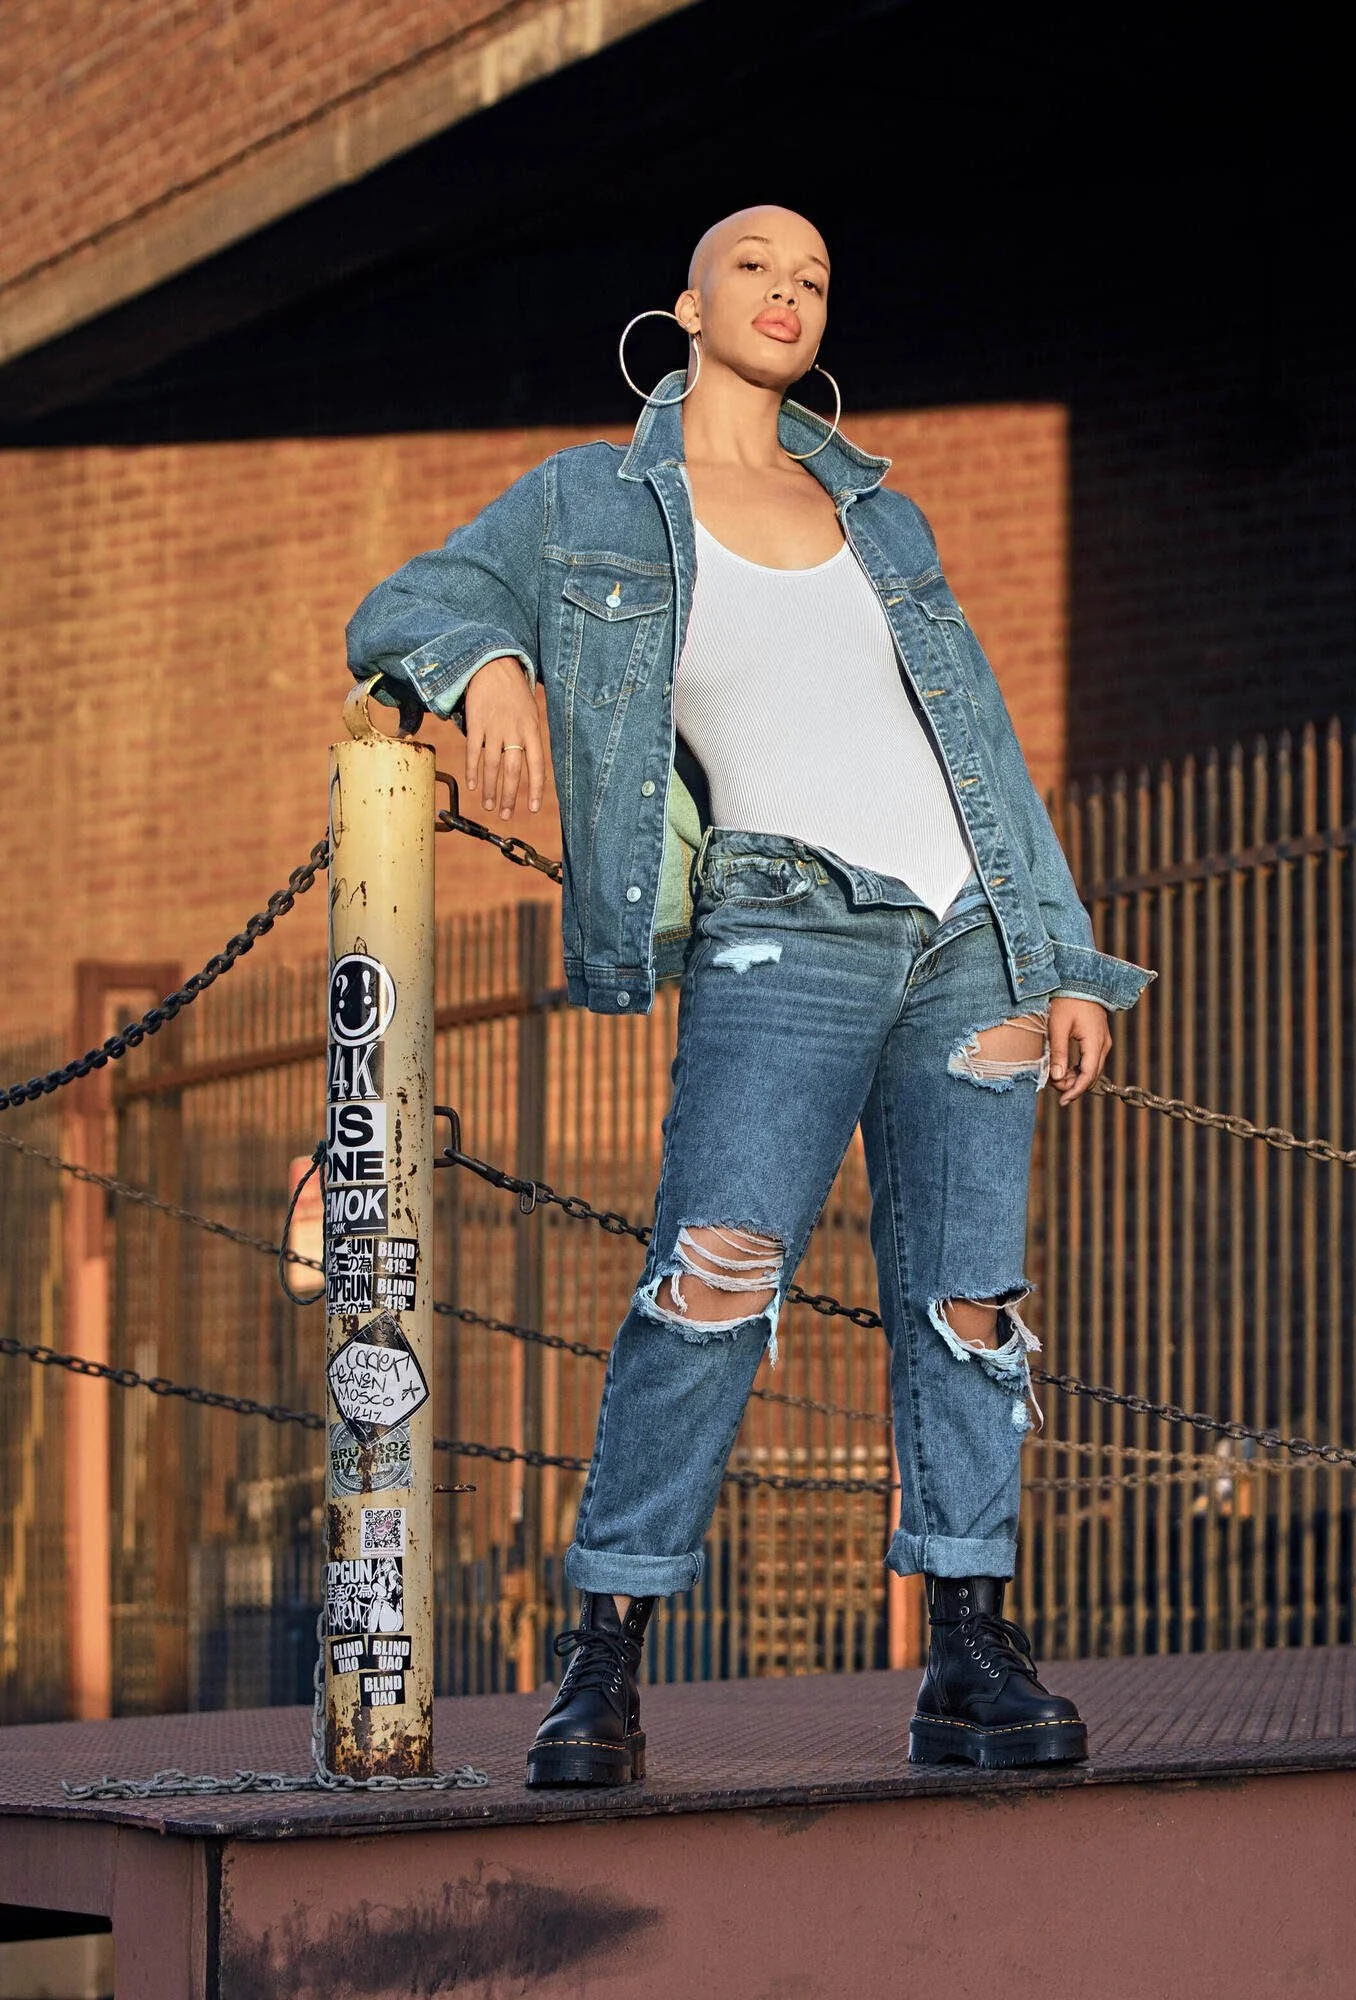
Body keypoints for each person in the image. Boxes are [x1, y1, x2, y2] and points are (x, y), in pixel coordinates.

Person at [347, 205, 1154, 1788]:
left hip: (968, 938)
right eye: (757, 267)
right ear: (688, 304)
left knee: (972, 1308)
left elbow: (973, 737)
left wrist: (1057, 950)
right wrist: (492, 668)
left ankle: (970, 1656)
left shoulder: (880, 516)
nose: (788, 290)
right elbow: (406, 605)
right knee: (710, 1278)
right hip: (783, 922)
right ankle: (605, 1659)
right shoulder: (596, 495)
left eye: (815, 277)